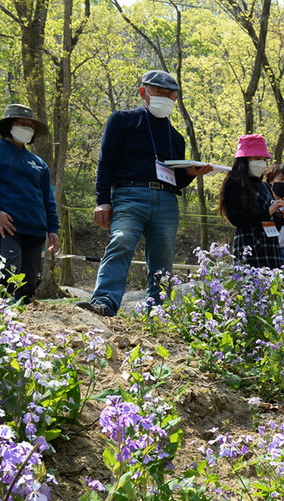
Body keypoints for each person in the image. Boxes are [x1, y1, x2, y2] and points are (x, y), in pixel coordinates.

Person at [78, 70, 213, 317]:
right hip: (129, 194)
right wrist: (102, 201)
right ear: (144, 92)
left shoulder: (176, 137)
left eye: (171, 95)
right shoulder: (122, 120)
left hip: (167, 201)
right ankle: (104, 303)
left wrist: (192, 173)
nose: (166, 98)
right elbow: (106, 162)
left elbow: (176, 180)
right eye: (159, 92)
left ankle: (158, 312)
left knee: (163, 260)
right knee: (120, 241)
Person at [0, 104, 60, 301]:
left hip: (35, 230)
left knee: (28, 282)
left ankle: (23, 325)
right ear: (9, 125)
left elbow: (48, 200)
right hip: (6, 227)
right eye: (22, 123)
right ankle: (0, 319)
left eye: (30, 126)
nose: (27, 128)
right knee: (8, 276)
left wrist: (53, 229)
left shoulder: (39, 164)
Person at [218, 135, 284, 269]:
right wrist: (268, 211)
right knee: (250, 288)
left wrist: (283, 218)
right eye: (257, 158)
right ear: (244, 160)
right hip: (248, 247)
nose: (262, 163)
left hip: (270, 249)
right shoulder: (233, 183)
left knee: (273, 289)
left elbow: (273, 223)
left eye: (264, 160)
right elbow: (236, 218)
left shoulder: (264, 186)